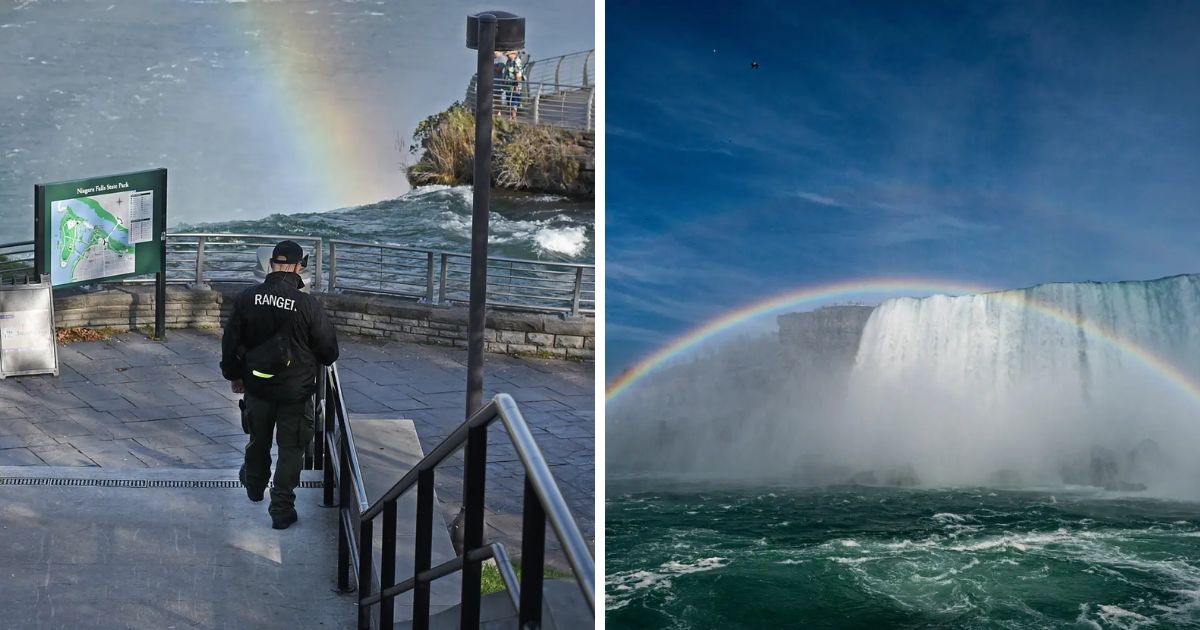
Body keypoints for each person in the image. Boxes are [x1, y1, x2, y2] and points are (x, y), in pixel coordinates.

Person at [220, 240, 339, 529]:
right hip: (295, 393)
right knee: (291, 449)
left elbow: (230, 343)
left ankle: (254, 483)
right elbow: (328, 352)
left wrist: (235, 376)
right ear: (299, 267)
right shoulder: (307, 305)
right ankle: (281, 509)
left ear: (272, 264)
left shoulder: (248, 298)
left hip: (257, 388)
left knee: (258, 439)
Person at [503, 49, 525, 120]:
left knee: (514, 102)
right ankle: (511, 117)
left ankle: (514, 118)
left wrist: (516, 84)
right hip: (508, 86)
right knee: (509, 101)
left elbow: (518, 74)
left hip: (514, 85)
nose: (507, 56)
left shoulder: (516, 62)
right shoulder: (509, 61)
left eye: (508, 55)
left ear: (513, 54)